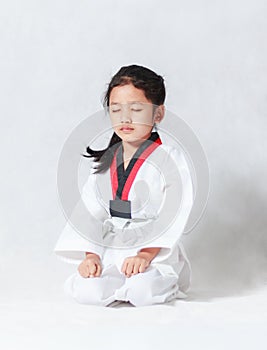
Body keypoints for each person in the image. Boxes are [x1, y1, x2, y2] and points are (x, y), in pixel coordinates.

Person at [54, 64, 194, 306]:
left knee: (143, 292)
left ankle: (158, 282)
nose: (125, 119)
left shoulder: (170, 159)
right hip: (113, 247)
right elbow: (89, 215)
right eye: (116, 110)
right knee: (90, 292)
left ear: (158, 114)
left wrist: (145, 255)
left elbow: (173, 212)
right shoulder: (106, 163)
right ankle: (117, 281)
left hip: (152, 251)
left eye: (137, 109)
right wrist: (92, 256)